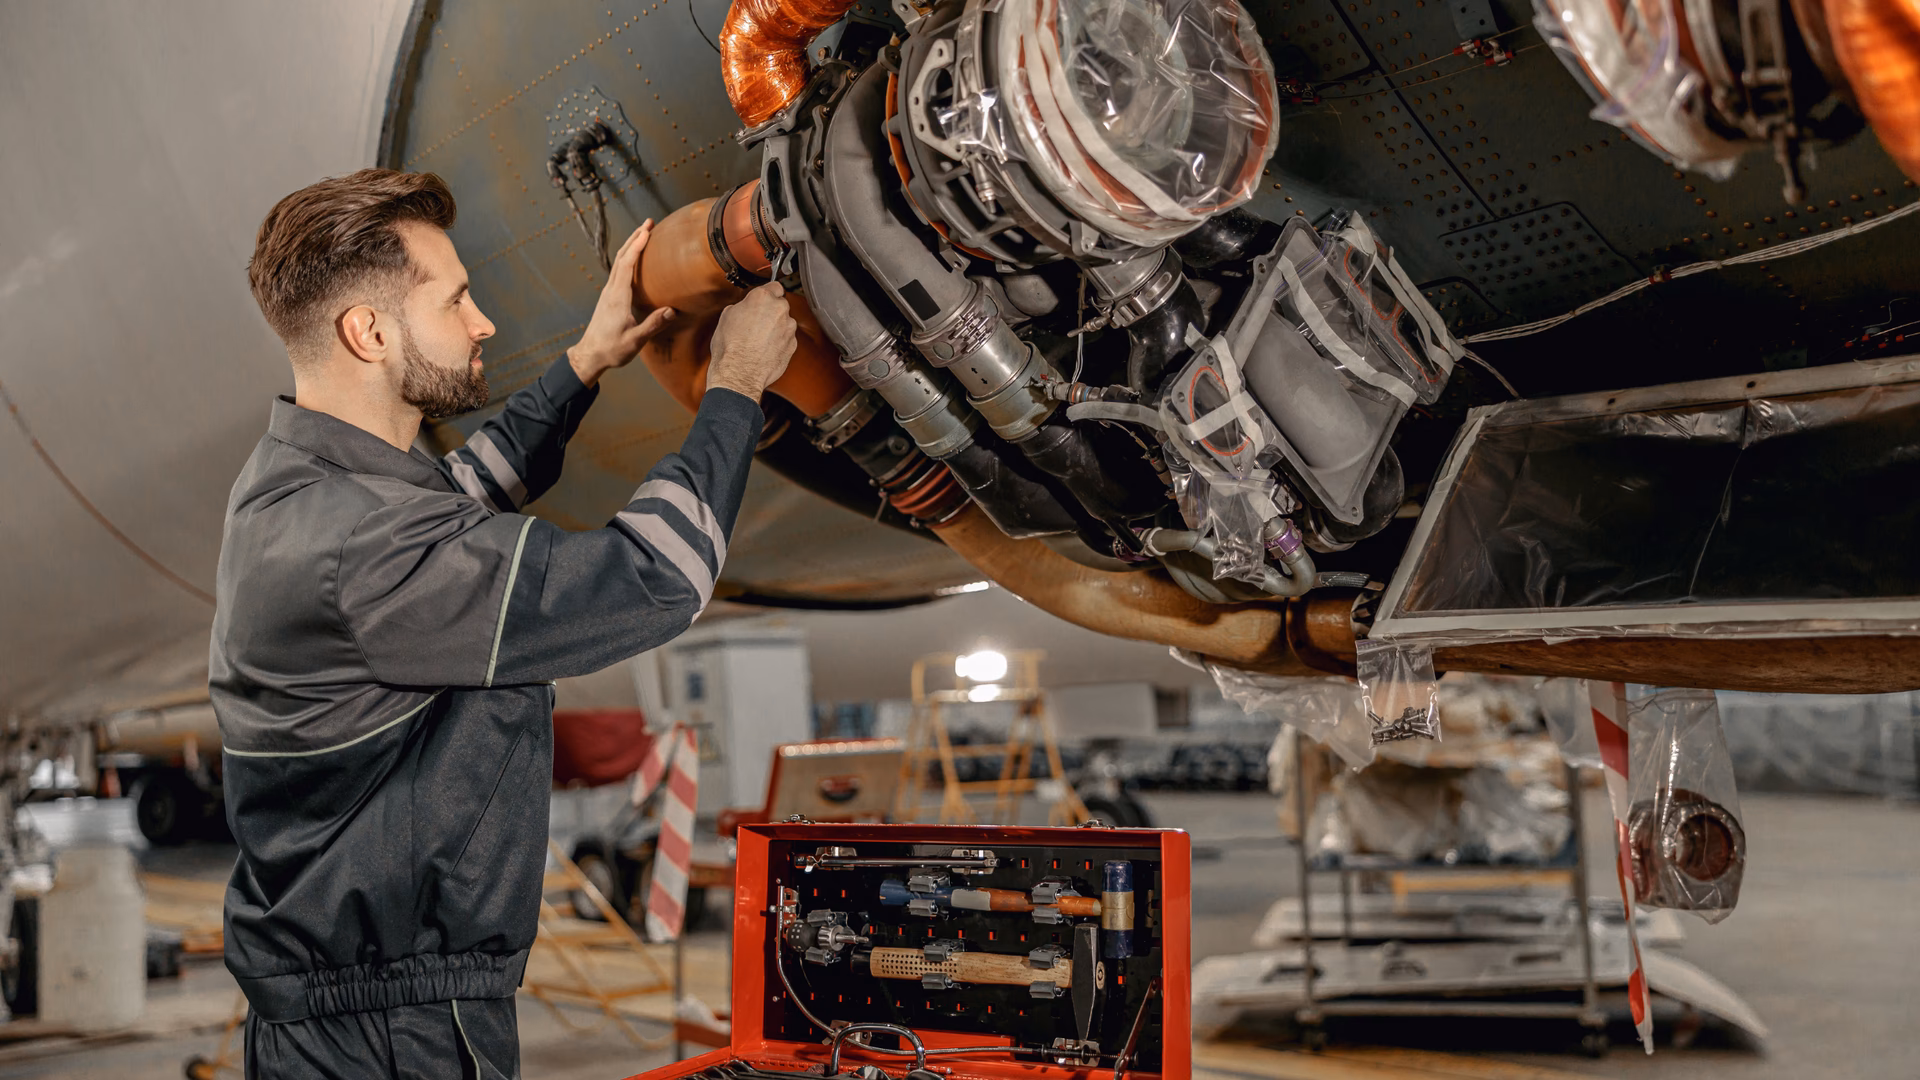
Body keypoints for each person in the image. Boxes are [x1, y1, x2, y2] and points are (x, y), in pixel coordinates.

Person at [210, 168, 795, 1078]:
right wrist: (737, 385)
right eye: (456, 301)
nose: (483, 323)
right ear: (367, 333)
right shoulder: (370, 544)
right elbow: (654, 575)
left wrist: (587, 360)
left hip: (348, 1014)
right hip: (401, 1034)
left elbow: (457, 496)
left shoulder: (296, 487)